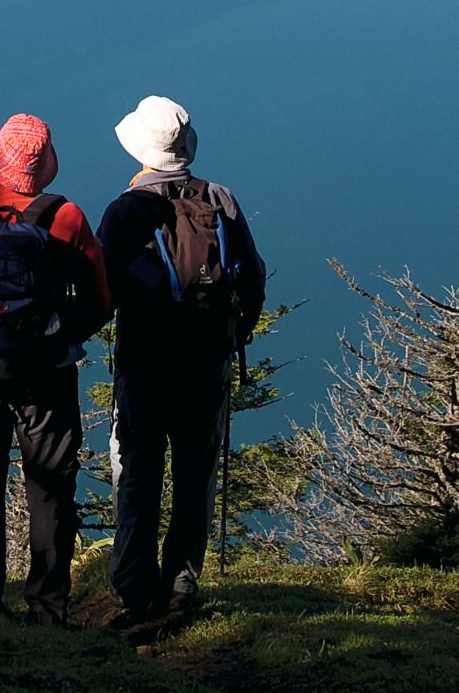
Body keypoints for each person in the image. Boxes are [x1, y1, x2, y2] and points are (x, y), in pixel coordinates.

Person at [0, 112, 111, 625]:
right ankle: (48, 607)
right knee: (51, 488)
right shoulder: (68, 217)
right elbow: (101, 301)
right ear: (47, 165)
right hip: (47, 375)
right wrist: (58, 334)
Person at [98, 95, 265, 631]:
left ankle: (133, 587)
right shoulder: (218, 199)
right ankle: (181, 583)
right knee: (196, 472)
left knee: (138, 472)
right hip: (205, 360)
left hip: (145, 362)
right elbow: (254, 277)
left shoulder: (125, 210)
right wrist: (235, 334)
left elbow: (101, 291)